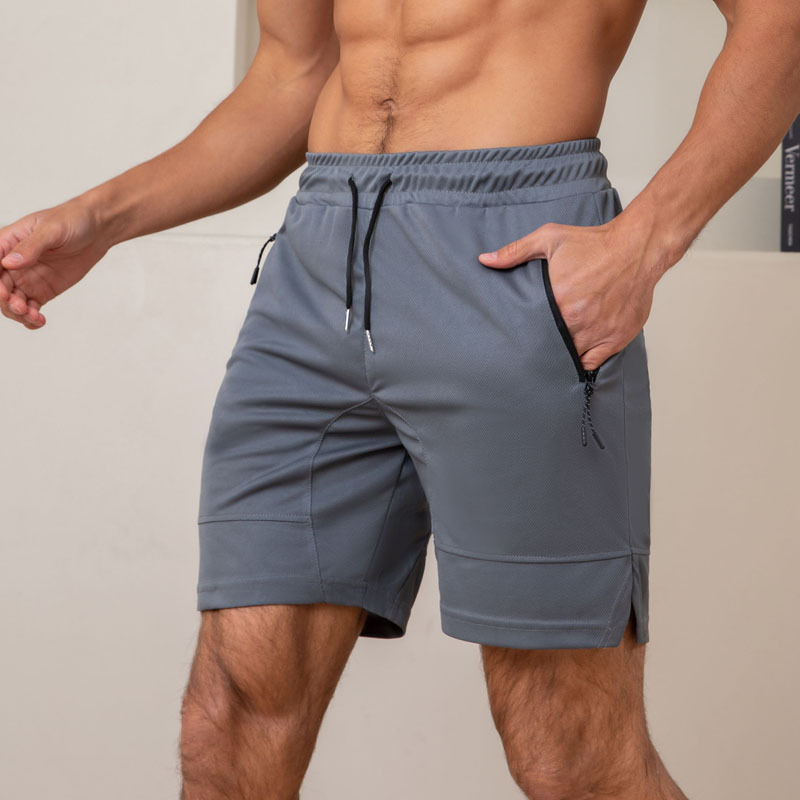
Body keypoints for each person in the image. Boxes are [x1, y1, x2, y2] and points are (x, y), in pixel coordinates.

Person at [2, 0, 798, 797]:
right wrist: (101, 218)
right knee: (231, 720)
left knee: (569, 751)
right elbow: (293, 74)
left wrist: (645, 242)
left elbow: (781, 20)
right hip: (318, 271)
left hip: (513, 257)